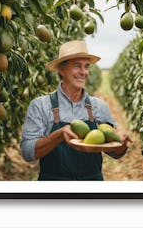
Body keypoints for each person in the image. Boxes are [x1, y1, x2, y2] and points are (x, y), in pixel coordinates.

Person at [20, 40, 131, 181]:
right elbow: (27, 152)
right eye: (77, 66)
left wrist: (122, 144)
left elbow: (115, 153)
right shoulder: (41, 106)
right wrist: (58, 136)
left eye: (86, 67)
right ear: (61, 69)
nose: (83, 72)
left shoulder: (98, 106)